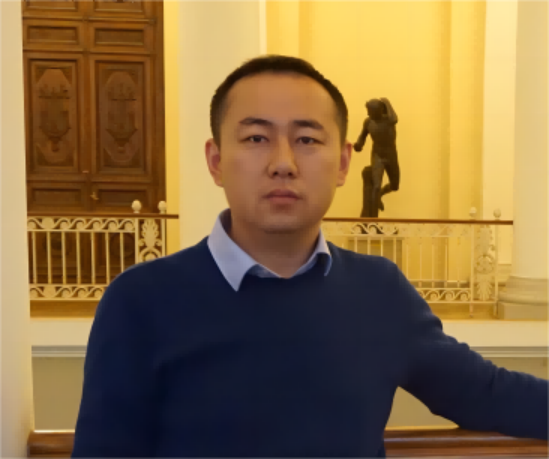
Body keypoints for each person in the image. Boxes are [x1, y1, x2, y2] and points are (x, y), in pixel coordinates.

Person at [72, 55, 549, 459]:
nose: (283, 162)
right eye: (256, 138)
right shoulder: (141, 301)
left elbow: (485, 393)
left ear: (342, 163)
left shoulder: (379, 292)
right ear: (216, 161)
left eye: (307, 139)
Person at [354, 98, 400, 217]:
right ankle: (373, 221)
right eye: (368, 111)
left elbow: (395, 118)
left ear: (379, 111)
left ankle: (380, 195)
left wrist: (386, 101)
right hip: (377, 155)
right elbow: (362, 136)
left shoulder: (388, 120)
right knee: (376, 186)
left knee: (395, 186)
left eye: (370, 111)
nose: (368, 114)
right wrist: (359, 144)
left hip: (390, 155)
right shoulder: (368, 122)